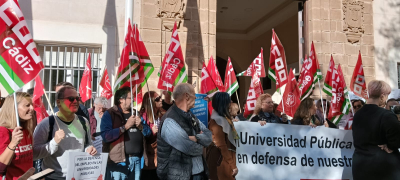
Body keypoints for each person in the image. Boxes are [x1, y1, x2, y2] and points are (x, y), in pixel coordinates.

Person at [33, 86, 97, 179]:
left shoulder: (83, 121)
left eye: (77, 98)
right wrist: (54, 142)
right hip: (53, 177)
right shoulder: (47, 124)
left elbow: (87, 144)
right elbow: (34, 153)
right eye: (71, 99)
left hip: (77, 176)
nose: (75, 101)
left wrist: (90, 149)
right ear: (59, 102)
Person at [157, 83, 212, 180]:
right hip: (180, 176)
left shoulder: (191, 116)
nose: (195, 97)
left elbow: (209, 136)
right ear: (186, 96)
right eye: (193, 94)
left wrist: (196, 138)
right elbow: (191, 148)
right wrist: (201, 144)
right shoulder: (169, 119)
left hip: (198, 173)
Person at [352, 80, 400, 180]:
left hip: (360, 167)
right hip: (383, 169)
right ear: (382, 96)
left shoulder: (357, 115)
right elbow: (397, 140)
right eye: (387, 95)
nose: (386, 99)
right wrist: (390, 146)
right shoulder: (386, 115)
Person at [101, 87, 151, 180]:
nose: (133, 100)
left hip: (136, 160)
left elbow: (148, 133)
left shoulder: (136, 113)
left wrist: (141, 126)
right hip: (119, 162)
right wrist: (125, 127)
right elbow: (106, 136)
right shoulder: (110, 114)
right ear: (121, 100)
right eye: (130, 98)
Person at [0, 92, 35, 179]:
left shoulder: (26, 131)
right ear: (14, 108)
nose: (32, 108)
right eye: (27, 105)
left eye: (31, 105)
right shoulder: (3, 131)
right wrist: (13, 143)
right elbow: (0, 167)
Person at [207, 92, 239, 180]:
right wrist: (232, 165)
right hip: (220, 161)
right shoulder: (218, 121)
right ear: (223, 103)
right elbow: (221, 145)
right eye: (229, 101)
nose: (231, 103)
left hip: (224, 159)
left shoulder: (225, 119)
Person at [139, 91, 164, 180]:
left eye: (160, 97)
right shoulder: (142, 116)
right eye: (157, 99)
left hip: (159, 153)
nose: (161, 100)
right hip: (148, 154)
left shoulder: (161, 114)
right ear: (151, 102)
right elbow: (141, 136)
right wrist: (152, 132)